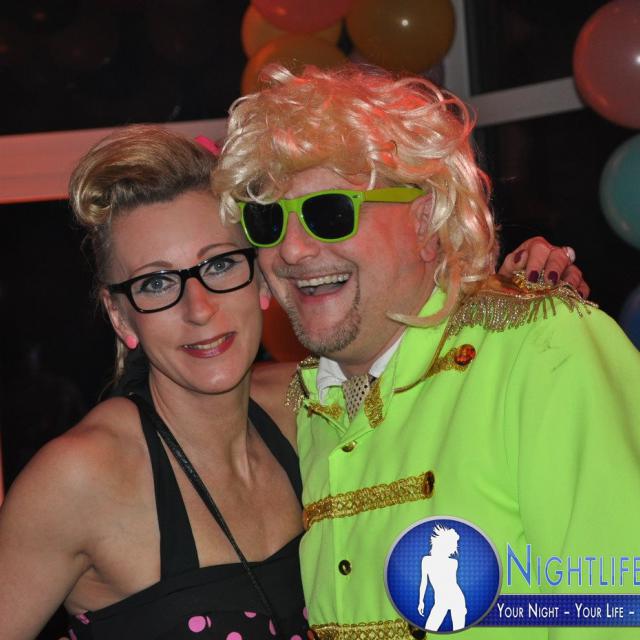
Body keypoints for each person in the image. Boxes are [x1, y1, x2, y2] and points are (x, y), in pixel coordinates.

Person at [214, 64, 640, 639]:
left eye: (330, 212)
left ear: (426, 217)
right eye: (266, 221)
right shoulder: (310, 410)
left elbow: (615, 613)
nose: (291, 251)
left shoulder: (541, 349)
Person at [0, 126, 307, 640]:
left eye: (219, 264)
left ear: (260, 277)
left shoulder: (310, 404)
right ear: (121, 316)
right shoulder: (80, 479)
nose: (199, 309)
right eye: (157, 283)